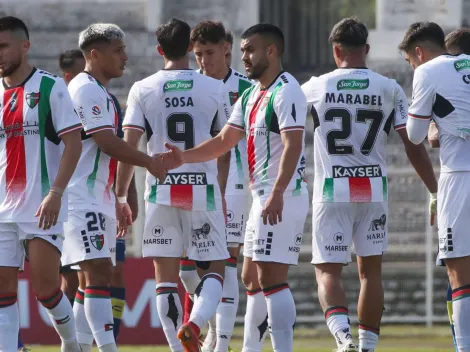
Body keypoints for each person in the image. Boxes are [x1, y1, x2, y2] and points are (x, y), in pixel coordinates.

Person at [164, 23, 309, 352]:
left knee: (271, 279)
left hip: (281, 196)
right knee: (250, 278)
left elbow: (293, 145)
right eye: (242, 50)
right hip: (263, 196)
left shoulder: (287, 90)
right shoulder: (252, 94)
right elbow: (223, 141)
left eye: (249, 50)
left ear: (270, 51)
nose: (243, 56)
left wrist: (276, 194)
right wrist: (181, 157)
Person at [302, 18, 438, 352]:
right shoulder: (388, 87)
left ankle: (342, 337)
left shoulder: (316, 86)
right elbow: (413, 145)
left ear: (336, 51)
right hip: (372, 189)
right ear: (366, 49)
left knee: (328, 273)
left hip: (332, 190)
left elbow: (281, 123)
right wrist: (435, 190)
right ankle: (367, 346)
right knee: (370, 274)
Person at [116, 18, 231, 352]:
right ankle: (194, 325)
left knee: (164, 280)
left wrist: (122, 195)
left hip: (160, 190)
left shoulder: (142, 88)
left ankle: (179, 348)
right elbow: (224, 148)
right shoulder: (214, 87)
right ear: (191, 49)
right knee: (214, 272)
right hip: (202, 188)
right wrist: (220, 191)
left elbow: (130, 145)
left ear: (159, 49)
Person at [64, 23, 166, 352]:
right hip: (81, 198)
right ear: (94, 54)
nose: (125, 56)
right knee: (98, 274)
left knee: (91, 278)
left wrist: (119, 197)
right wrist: (149, 162)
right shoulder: (86, 89)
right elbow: (107, 144)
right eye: (117, 50)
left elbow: (108, 149)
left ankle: (75, 347)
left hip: (97, 198)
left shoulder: (100, 91)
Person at [0, 16, 83, 352]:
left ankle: (72, 343)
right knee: (3, 292)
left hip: (41, 205)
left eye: (4, 45)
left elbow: (74, 143)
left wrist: (56, 194)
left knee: (46, 290)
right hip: (4, 207)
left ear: (25, 46)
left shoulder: (50, 87)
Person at [399, 21, 470, 352]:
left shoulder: (426, 72)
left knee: (460, 278)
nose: (412, 68)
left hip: (460, 177)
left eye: (410, 62)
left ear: (418, 53)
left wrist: (432, 125)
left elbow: (414, 136)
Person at [185, 20, 252, 352]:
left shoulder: (247, 87)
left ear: (227, 49)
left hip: (237, 184)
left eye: (209, 53)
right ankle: (209, 325)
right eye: (198, 54)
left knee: (227, 260)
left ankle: (221, 340)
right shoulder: (191, 87)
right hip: (194, 184)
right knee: (189, 267)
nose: (203, 61)